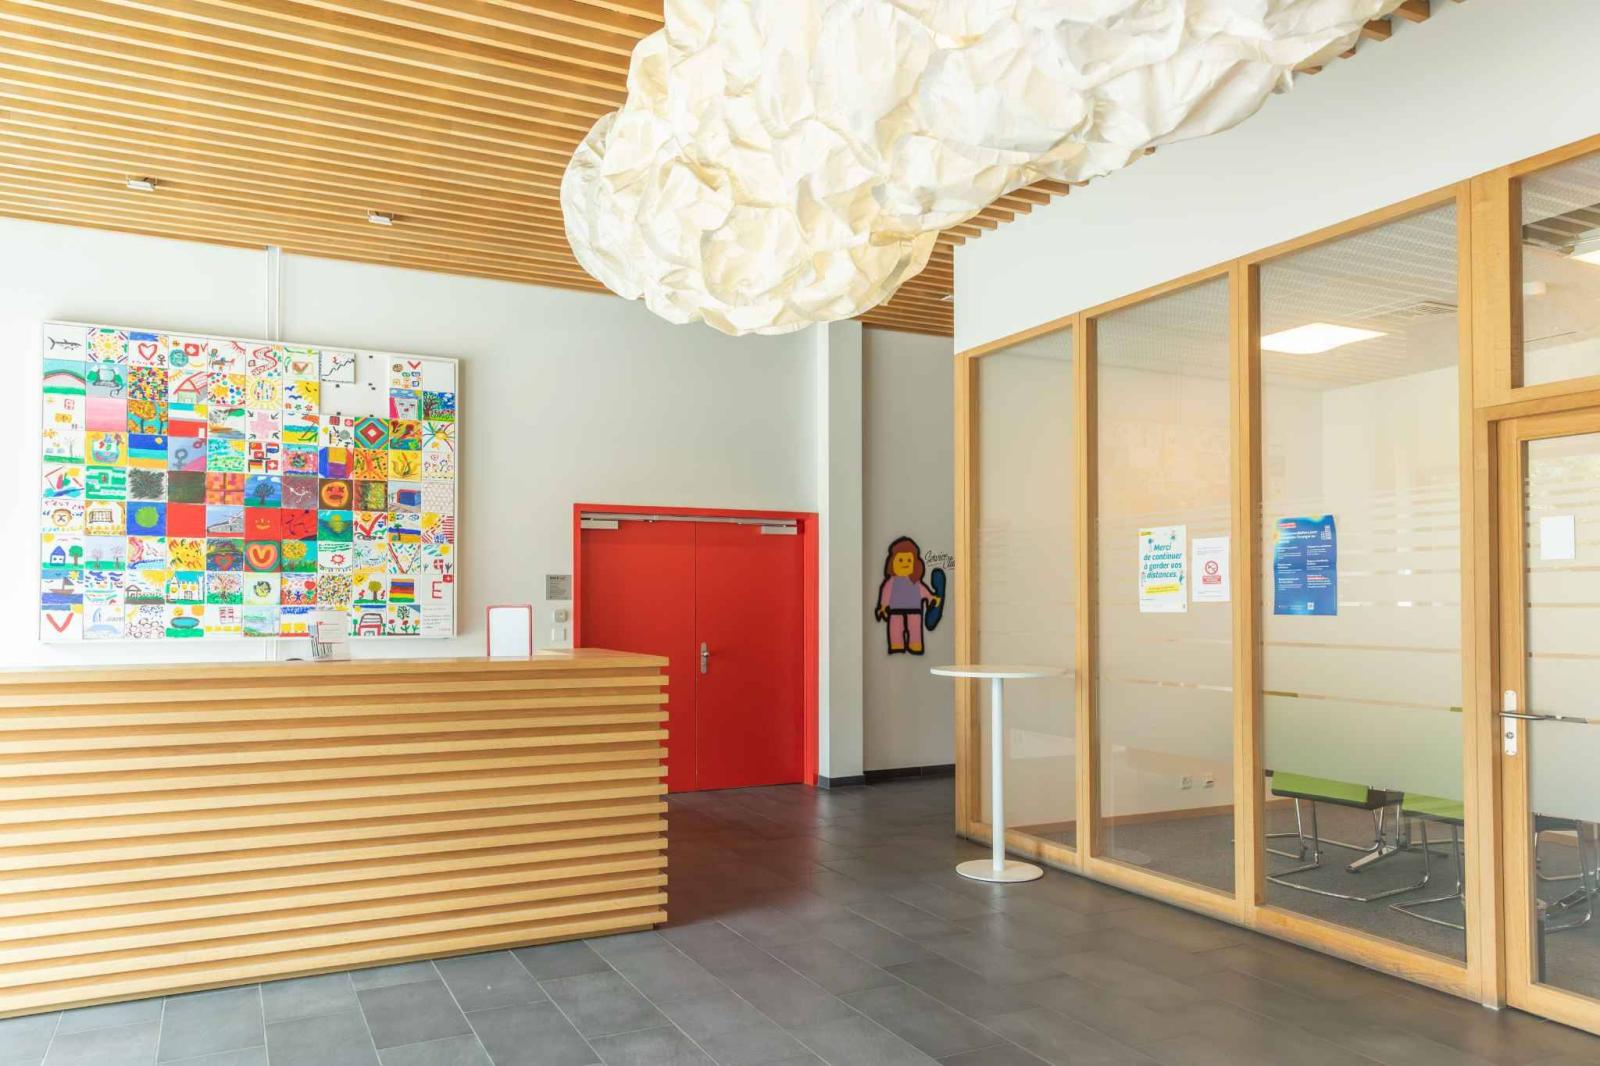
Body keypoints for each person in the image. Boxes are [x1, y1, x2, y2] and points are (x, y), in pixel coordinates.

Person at [875, 536, 941, 654]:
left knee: (914, 628)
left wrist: (931, 597)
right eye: (900, 560)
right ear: (892, 563)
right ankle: (896, 644)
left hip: (914, 609)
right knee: (896, 627)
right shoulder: (891, 582)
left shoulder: (915, 581)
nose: (905, 563)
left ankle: (915, 644)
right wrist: (883, 606)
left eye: (909, 560)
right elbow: (886, 593)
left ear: (915, 564)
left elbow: (923, 590)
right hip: (895, 610)